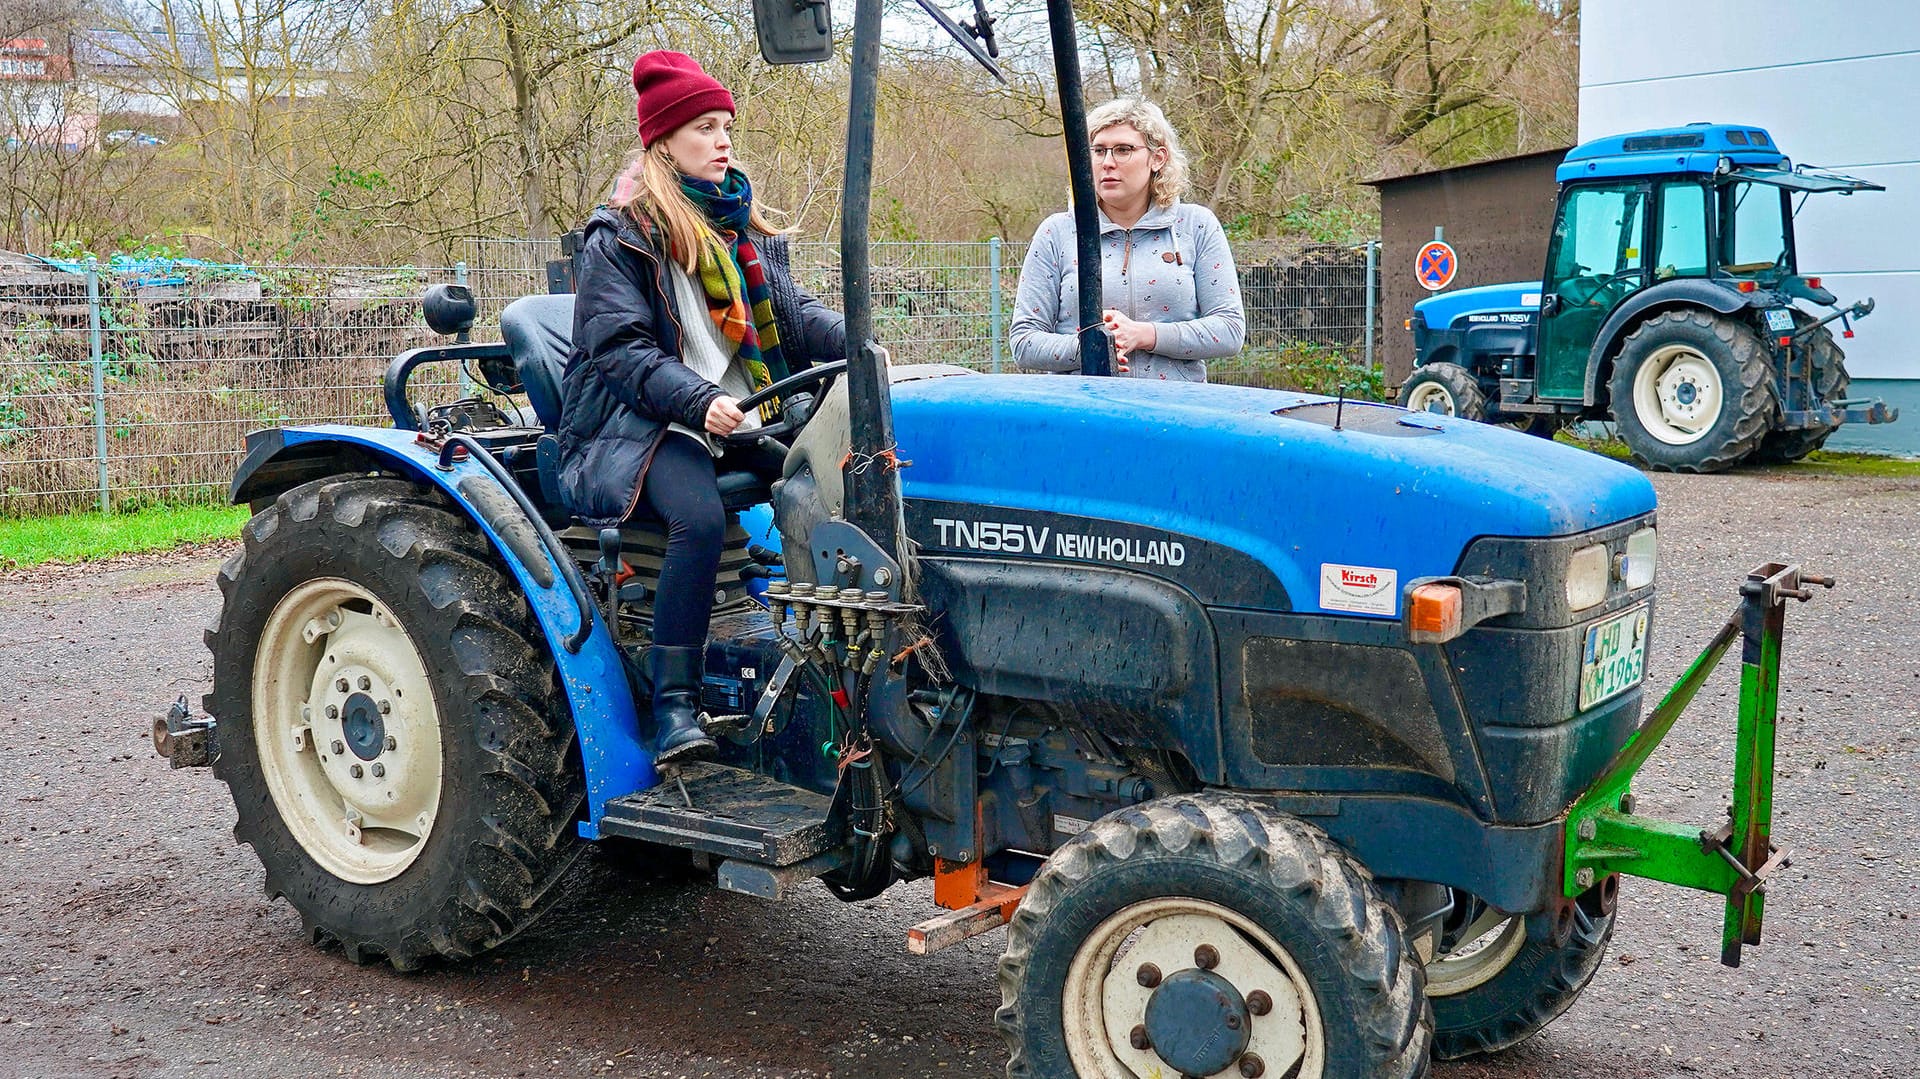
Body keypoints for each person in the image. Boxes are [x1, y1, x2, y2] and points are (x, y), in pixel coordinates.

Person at [558, 50, 845, 764]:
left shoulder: (735, 225)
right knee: (700, 515)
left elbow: (796, 313)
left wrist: (861, 344)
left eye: (726, 127)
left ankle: (825, 652)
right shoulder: (619, 235)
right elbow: (620, 351)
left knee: (819, 479)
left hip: (731, 412)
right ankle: (675, 707)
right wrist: (700, 398)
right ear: (663, 141)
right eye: (705, 127)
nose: (723, 141)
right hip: (640, 422)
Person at [1009, 98, 1245, 381]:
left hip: (1175, 412)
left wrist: (1145, 335)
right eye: (1098, 151)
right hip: (1080, 412)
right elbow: (1023, 341)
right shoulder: (1057, 233)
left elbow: (1230, 331)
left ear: (1157, 158)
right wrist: (1090, 347)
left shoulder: (1197, 226)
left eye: (1123, 150)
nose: (1108, 163)